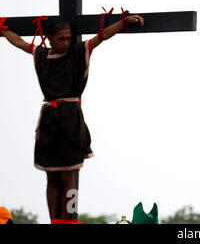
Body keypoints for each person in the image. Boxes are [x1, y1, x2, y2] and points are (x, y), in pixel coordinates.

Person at [1, 14, 144, 223]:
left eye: (69, 38)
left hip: (71, 119)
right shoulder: (41, 55)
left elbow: (101, 37)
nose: (67, 42)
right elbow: (19, 42)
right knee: (51, 175)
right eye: (62, 39)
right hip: (50, 120)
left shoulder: (78, 53)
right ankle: (55, 220)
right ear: (49, 38)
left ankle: (68, 218)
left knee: (68, 175)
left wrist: (123, 23)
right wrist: (3, 30)